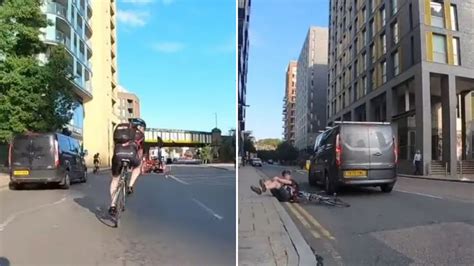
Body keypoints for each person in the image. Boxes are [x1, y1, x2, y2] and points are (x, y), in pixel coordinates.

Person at [108, 118, 146, 216]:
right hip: (131, 155)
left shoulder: (119, 129)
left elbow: (115, 145)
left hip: (118, 155)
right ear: (140, 126)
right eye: (143, 128)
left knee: (115, 179)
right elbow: (140, 152)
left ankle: (112, 206)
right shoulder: (140, 134)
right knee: (138, 166)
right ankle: (130, 186)